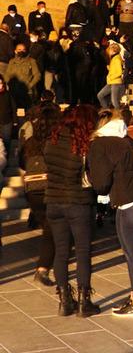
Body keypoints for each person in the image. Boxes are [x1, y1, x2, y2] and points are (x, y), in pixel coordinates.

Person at [88, 110, 133, 317]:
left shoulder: (100, 144)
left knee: (132, 253)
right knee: (131, 251)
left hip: (130, 202)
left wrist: (90, 179)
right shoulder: (127, 140)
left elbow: (100, 184)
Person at [44, 105, 100, 317]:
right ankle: (84, 302)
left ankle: (65, 300)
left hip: (54, 202)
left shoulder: (52, 141)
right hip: (77, 202)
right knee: (83, 251)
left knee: (61, 251)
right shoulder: (84, 146)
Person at [19, 102, 61, 287]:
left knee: (48, 228)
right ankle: (44, 268)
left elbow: (22, 166)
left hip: (33, 190)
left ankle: (46, 267)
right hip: (51, 188)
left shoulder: (30, 142)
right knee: (52, 230)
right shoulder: (57, 141)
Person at [6, 43, 41, 109]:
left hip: (28, 92)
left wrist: (29, 85)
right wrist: (9, 85)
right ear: (15, 51)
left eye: (23, 49)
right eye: (19, 49)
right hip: (14, 92)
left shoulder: (31, 61)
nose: (21, 51)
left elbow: (37, 75)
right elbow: (7, 75)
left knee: (28, 111)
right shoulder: (11, 61)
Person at [97, 43, 123, 109]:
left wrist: (111, 77)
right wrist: (109, 69)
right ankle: (108, 111)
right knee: (100, 95)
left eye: (110, 49)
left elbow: (119, 72)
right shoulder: (114, 58)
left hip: (115, 82)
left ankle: (117, 116)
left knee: (114, 101)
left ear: (114, 50)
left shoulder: (116, 59)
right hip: (111, 82)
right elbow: (115, 70)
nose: (108, 51)